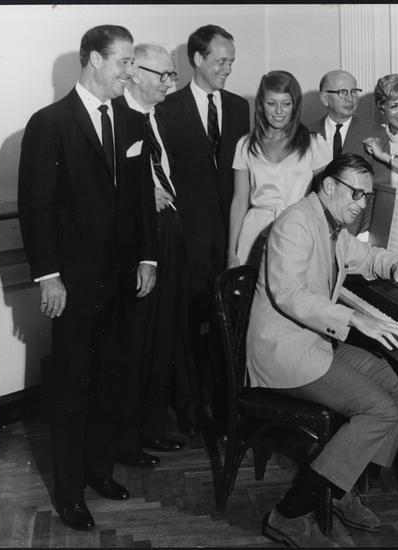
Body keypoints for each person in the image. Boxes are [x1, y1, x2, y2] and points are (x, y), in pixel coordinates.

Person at [17, 24, 157, 531]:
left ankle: (99, 471)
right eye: (124, 62)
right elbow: (36, 206)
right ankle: (69, 491)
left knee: (112, 381)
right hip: (74, 285)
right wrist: (48, 277)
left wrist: (148, 258)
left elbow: (141, 199)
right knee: (72, 389)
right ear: (95, 60)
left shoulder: (132, 120)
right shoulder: (49, 123)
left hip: (123, 280)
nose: (130, 72)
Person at [247, 154, 398, 547]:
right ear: (329, 186)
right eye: (355, 193)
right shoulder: (296, 223)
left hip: (314, 342)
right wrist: (355, 318)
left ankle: (341, 488)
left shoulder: (331, 225)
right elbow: (289, 294)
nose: (361, 203)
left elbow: (366, 255)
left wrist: (394, 265)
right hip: (284, 350)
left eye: (367, 196)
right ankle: (289, 514)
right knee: (381, 409)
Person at [158, 24, 250, 436]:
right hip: (187, 240)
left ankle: (222, 404)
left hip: (231, 238)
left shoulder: (239, 107)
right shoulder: (167, 107)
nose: (227, 69)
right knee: (186, 325)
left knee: (226, 325)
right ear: (197, 58)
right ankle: (189, 404)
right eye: (220, 61)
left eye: (231, 62)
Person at [115, 43, 187, 467]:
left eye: (171, 75)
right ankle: (125, 442)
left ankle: (152, 429)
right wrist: (144, 193)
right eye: (163, 75)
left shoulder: (160, 117)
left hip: (169, 232)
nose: (169, 84)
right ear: (136, 73)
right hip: (137, 244)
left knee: (164, 335)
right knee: (134, 342)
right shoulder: (116, 118)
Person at [227, 70, 330, 268]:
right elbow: (239, 201)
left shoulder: (314, 143)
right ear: (261, 104)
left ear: (295, 105)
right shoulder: (245, 145)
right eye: (271, 103)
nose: (279, 111)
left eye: (286, 103)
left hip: (297, 229)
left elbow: (325, 199)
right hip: (253, 234)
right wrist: (231, 251)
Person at [309, 69, 390, 236]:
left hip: (357, 232)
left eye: (354, 92)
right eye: (343, 92)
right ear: (324, 98)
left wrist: (364, 233)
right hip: (313, 230)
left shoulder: (376, 133)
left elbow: (379, 193)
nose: (350, 99)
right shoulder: (306, 134)